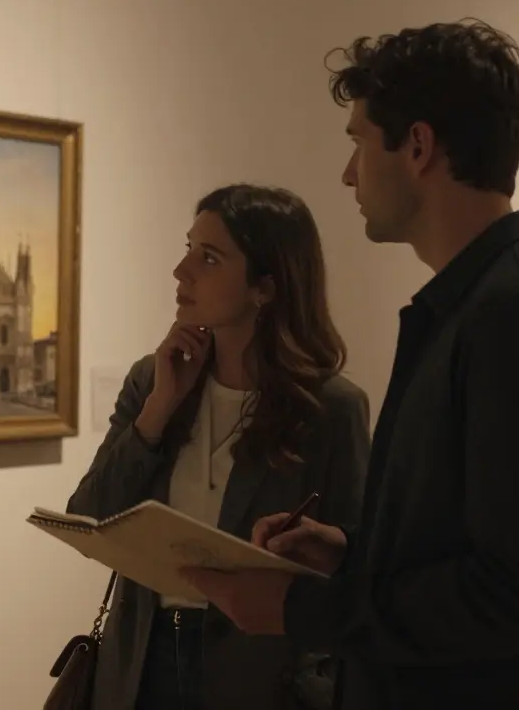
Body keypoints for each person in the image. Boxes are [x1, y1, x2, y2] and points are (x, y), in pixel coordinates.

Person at [183, 20, 519, 709]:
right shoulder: (478, 307)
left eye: (359, 142)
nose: (347, 172)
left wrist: (300, 610)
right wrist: (349, 553)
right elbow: (473, 540)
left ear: (418, 147)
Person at [65, 183, 370, 710]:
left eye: (208, 257)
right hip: (141, 662)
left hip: (261, 675)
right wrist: (159, 410)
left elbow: (356, 570)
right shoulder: (152, 381)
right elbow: (90, 516)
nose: (181, 272)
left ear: (266, 288)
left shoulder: (329, 409)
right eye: (188, 249)